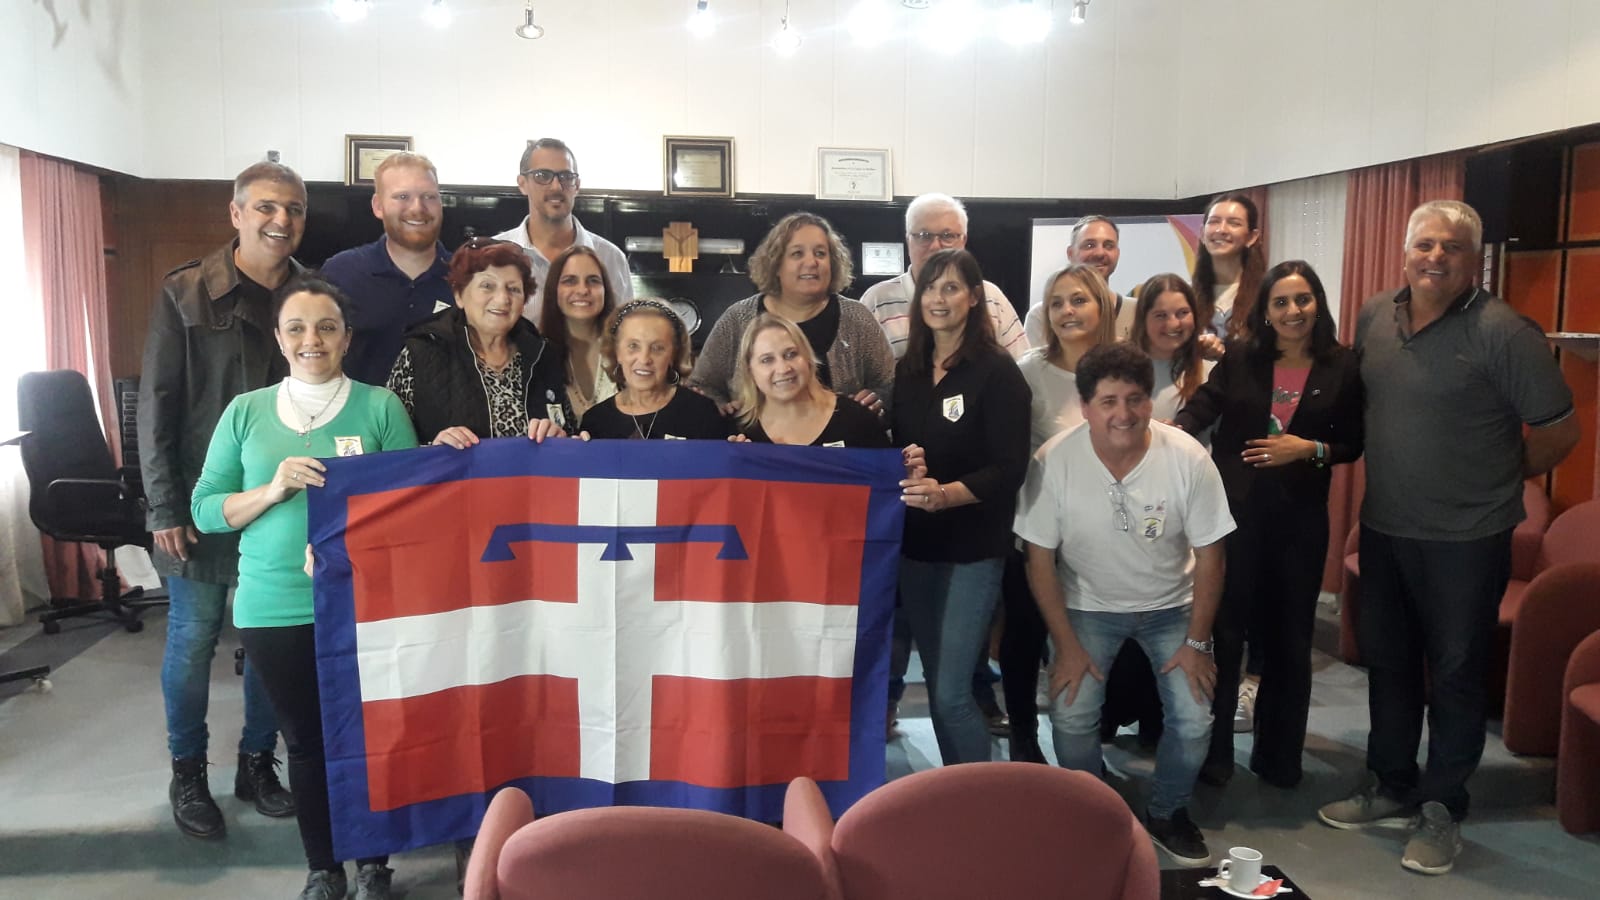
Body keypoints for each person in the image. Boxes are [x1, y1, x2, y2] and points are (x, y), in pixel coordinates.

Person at [1318, 201, 1578, 876]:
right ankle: (1390, 784)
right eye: (1425, 244)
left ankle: (1442, 809)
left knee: (1457, 675)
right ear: (1405, 252)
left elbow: (1561, 431)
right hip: (1385, 526)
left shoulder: (1504, 332)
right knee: (1390, 664)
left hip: (1468, 539)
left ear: (1474, 259)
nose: (1436, 257)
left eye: (1452, 247)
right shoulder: (1376, 315)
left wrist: (1496, 477)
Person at [190, 276, 419, 900]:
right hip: (274, 606)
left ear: (346, 337)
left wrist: (355, 555)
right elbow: (206, 510)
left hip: (363, 604)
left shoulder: (379, 408)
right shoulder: (246, 412)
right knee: (306, 742)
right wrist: (272, 489)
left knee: (369, 736)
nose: (311, 339)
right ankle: (325, 868)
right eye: (297, 327)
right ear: (279, 337)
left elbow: (410, 511)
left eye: (326, 327)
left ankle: (373, 864)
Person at [1014, 342, 1234, 868]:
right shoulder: (1053, 461)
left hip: (1173, 605)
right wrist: (1065, 645)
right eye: (1108, 401)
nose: (1124, 414)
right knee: (1071, 716)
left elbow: (1212, 555)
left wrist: (1198, 642)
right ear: (1085, 406)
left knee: (1194, 716)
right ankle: (1095, 810)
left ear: (1150, 401)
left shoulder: (1187, 458)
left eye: (1135, 399)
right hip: (1087, 607)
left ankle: (1167, 811)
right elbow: (1038, 560)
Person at [137, 161, 301, 841]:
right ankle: (188, 772)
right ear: (236, 214)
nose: (281, 220)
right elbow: (156, 405)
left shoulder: (310, 293)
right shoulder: (185, 291)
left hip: (280, 501)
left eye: (293, 209)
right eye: (266, 207)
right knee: (194, 637)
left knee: (267, 641)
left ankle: (257, 764)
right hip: (200, 502)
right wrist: (164, 506)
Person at [1173, 261, 1364, 789]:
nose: (1292, 311)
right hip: (1235, 517)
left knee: (1290, 640)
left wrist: (1310, 449)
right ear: (1265, 311)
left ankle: (1279, 758)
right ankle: (1214, 754)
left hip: (1300, 521)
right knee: (1226, 634)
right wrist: (1172, 430)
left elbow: (1352, 442)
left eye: (1302, 299)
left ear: (1318, 304)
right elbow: (1204, 405)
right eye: (1280, 302)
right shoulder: (1241, 357)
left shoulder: (1343, 365)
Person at [892, 248, 1030, 765]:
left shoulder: (997, 372)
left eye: (951, 287)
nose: (938, 298)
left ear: (974, 298)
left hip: (973, 550)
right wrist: (906, 461)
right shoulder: (907, 371)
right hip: (916, 549)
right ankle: (956, 790)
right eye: (930, 287)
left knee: (952, 693)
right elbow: (900, 447)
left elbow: (1010, 468)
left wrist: (947, 494)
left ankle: (980, 799)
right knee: (937, 685)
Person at [1002, 263, 1122, 762]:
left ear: (1101, 306)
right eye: (1056, 303)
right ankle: (1024, 738)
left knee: (1096, 639)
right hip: (1038, 533)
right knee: (1026, 636)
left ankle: (1088, 739)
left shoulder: (1121, 367)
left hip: (1106, 535)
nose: (1067, 311)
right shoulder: (1029, 371)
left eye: (1078, 300)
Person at [688, 212, 894, 413]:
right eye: (797, 254)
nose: (811, 262)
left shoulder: (856, 318)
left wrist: (879, 399)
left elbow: (890, 385)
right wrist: (719, 409)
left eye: (820, 253)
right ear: (776, 264)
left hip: (843, 436)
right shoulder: (738, 318)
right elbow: (702, 385)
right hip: (753, 436)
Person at [387, 237, 571, 446]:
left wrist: (561, 439)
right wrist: (434, 449)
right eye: (487, 286)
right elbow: (390, 447)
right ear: (459, 295)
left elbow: (569, 432)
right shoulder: (420, 353)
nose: (502, 299)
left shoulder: (543, 356)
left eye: (513, 289)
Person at [319, 152, 453, 385]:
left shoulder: (468, 278)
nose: (418, 208)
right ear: (378, 206)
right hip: (357, 409)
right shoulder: (341, 273)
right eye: (402, 196)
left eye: (429, 197)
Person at [859, 192, 1028, 360]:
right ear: (908, 240)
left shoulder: (991, 297)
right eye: (924, 236)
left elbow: (1021, 365)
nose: (935, 246)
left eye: (947, 236)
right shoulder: (876, 301)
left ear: (963, 241)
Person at [493, 137, 633, 323]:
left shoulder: (610, 258)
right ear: (522, 184)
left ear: (577, 186)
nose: (556, 186)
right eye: (542, 176)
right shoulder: (493, 255)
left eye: (566, 177)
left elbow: (623, 331)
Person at [731, 314, 890, 448]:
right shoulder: (738, 430)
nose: (783, 369)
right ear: (750, 370)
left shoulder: (856, 419)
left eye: (791, 354)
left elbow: (888, 473)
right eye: (767, 360)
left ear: (808, 358)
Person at [582, 300, 728, 440]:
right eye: (633, 346)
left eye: (657, 348)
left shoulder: (702, 412)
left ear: (673, 354)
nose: (644, 359)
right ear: (617, 352)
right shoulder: (595, 420)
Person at [1024, 215, 1137, 346]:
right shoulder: (1041, 316)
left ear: (1117, 253)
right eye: (1089, 245)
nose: (1100, 253)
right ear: (1070, 253)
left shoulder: (1137, 311)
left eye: (1108, 246)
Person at [540, 245, 619, 425]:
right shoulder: (536, 355)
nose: (583, 290)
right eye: (570, 281)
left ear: (605, 290)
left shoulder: (628, 351)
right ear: (554, 290)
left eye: (593, 281)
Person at [1130, 274, 1215, 421]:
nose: (1173, 324)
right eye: (1161, 315)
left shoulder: (1214, 372)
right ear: (1143, 319)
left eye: (1182, 313)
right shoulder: (1121, 373)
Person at [1191, 194, 1265, 342]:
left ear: (1252, 237)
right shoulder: (1186, 296)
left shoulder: (1267, 293)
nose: (1221, 230)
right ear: (1202, 233)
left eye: (1234, 223)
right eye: (1214, 222)